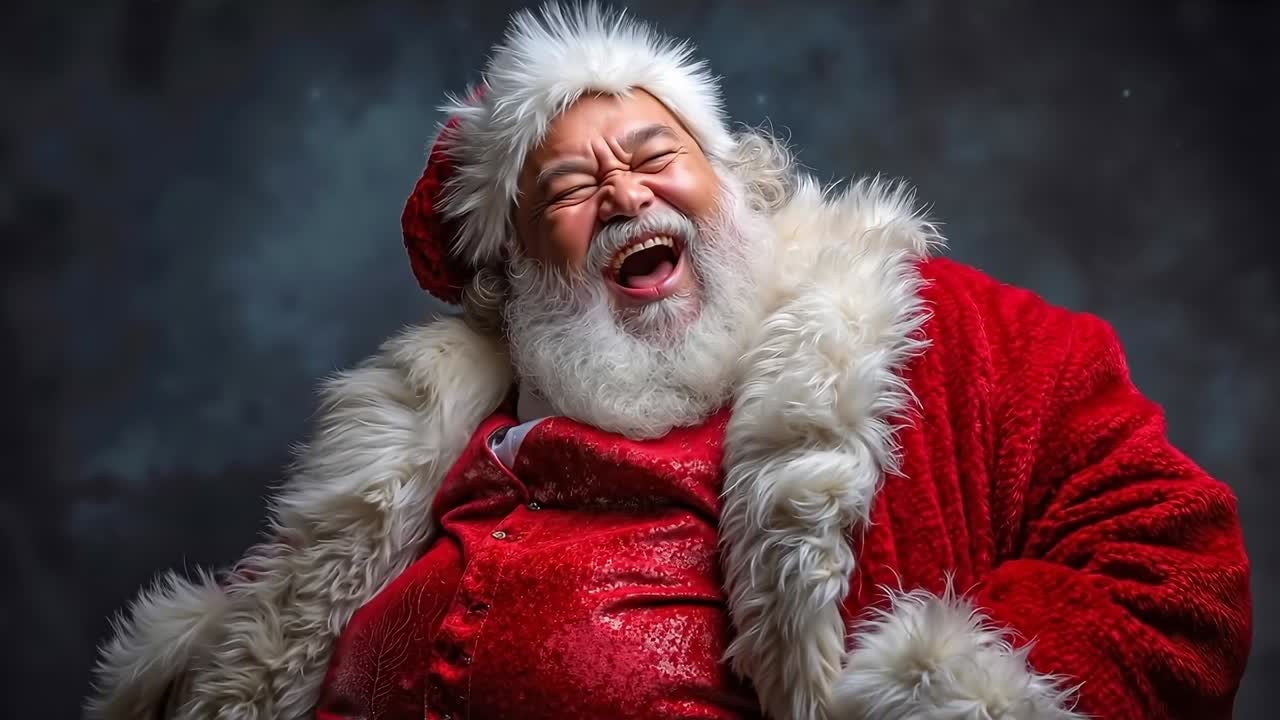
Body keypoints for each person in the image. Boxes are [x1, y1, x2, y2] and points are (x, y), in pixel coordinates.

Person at [86, 4, 1252, 719]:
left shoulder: (932, 337)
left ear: (733, 179)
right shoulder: (445, 432)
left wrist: (949, 699)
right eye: (568, 187)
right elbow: (269, 645)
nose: (624, 192)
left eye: (652, 153)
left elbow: (1169, 558)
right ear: (518, 270)